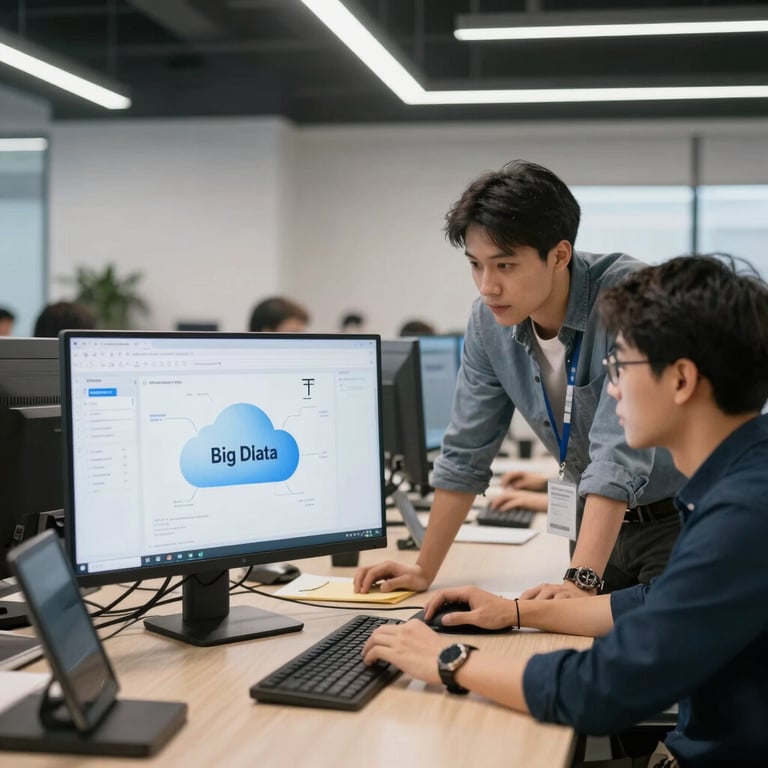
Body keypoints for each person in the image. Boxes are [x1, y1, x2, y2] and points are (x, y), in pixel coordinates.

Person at [363, 254, 768, 766]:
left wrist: (447, 658)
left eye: (620, 368)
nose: (611, 389)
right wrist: (514, 611)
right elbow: (655, 604)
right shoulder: (738, 482)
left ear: (682, 380)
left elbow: (601, 690)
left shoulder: (744, 516)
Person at [355, 159, 684, 599]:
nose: (486, 286)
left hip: (676, 525)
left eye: (504, 265)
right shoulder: (488, 323)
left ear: (559, 255)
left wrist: (579, 581)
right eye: (476, 265)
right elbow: (466, 451)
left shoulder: (631, 300)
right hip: (594, 524)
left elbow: (616, 457)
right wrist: (423, 569)